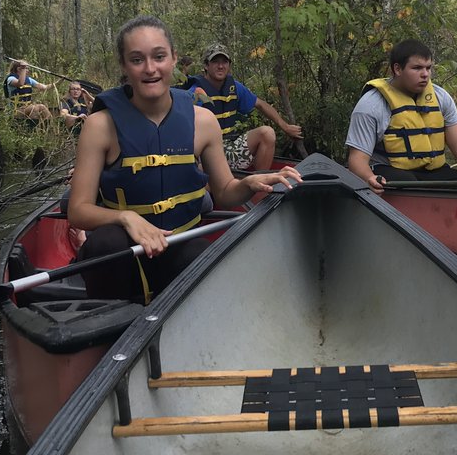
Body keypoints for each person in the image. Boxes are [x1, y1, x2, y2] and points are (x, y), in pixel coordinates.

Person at [68, 16, 301, 300]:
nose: (150, 68)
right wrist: (125, 217)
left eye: (159, 56)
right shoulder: (100, 126)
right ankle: (109, 324)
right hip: (123, 254)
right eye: (137, 59)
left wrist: (250, 182)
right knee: (105, 242)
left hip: (179, 245)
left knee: (203, 256)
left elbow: (225, 193)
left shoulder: (202, 121)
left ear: (174, 59)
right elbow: (78, 210)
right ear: (124, 66)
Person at [345, 39, 457, 194]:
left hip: (433, 172)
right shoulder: (371, 105)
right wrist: (369, 178)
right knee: (410, 188)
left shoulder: (440, 97)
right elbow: (356, 160)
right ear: (397, 69)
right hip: (390, 171)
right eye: (417, 68)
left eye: (428, 68)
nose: (425, 74)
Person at [182, 43, 303, 171]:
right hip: (206, 153)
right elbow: (181, 124)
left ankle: (261, 186)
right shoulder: (195, 92)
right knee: (199, 168)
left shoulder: (234, 87)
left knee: (267, 133)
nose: (221, 66)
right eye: (215, 62)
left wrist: (285, 127)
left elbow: (261, 104)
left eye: (224, 62)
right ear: (206, 65)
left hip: (230, 148)